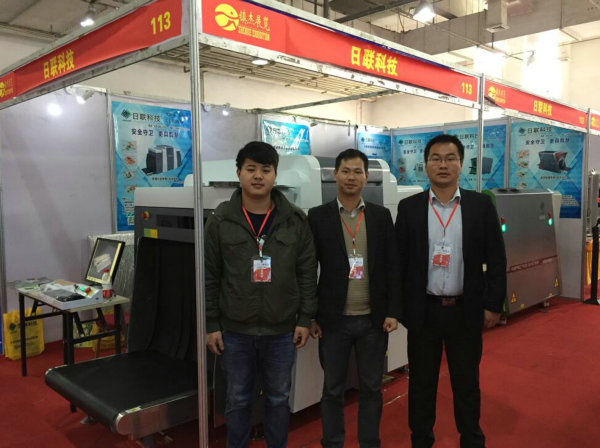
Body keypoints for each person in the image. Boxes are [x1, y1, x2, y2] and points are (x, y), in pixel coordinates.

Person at [395, 134, 506, 448]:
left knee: (467, 383)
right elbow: (399, 262)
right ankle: (421, 440)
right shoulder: (410, 208)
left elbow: (496, 258)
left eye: (450, 158)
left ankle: (471, 439)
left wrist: (493, 304)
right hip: (424, 312)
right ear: (426, 164)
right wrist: (401, 309)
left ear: (461, 164)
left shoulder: (480, 206)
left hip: (465, 311)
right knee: (421, 384)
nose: (442, 165)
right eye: (436, 158)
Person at [204, 141, 317, 448]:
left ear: (275, 175)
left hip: (281, 330)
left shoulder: (295, 220)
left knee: (279, 398)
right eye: (251, 169)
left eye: (265, 170)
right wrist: (211, 323)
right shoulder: (220, 220)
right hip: (235, 331)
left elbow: (307, 273)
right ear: (238, 173)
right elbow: (210, 276)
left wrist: (304, 318)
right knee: (237, 398)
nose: (258, 176)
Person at [308, 148, 400, 448]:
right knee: (332, 390)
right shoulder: (318, 216)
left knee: (371, 388)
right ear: (334, 175)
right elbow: (308, 269)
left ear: (366, 177)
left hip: (373, 320)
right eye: (345, 171)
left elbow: (392, 266)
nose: (351, 177)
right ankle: (332, 442)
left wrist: (392, 311)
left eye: (357, 171)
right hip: (333, 321)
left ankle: (369, 442)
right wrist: (311, 315)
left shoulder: (380, 216)